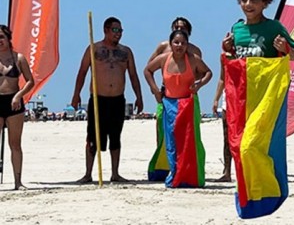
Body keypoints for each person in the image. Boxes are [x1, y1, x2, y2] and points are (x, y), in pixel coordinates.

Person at [221, 0, 294, 218]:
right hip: (241, 100)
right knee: (238, 148)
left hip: (266, 99)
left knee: (251, 146)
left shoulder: (274, 27)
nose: (248, 5)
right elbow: (236, 62)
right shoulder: (236, 29)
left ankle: (271, 191)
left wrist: (284, 49)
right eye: (244, 0)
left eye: (254, 0)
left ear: (265, 2)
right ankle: (252, 195)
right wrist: (227, 49)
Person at [71, 17, 143, 183]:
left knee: (116, 136)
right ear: (106, 30)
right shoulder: (94, 48)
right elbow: (82, 72)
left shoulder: (126, 52)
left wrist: (139, 96)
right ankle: (88, 173)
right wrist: (76, 94)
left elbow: (133, 75)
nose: (118, 34)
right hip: (98, 100)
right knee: (92, 137)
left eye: (120, 31)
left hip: (117, 99)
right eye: (115, 30)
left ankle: (115, 173)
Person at [144, 30, 212, 188]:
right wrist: (155, 90)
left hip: (187, 106)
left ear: (187, 44)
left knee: (189, 143)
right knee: (172, 144)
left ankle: (192, 177)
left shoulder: (193, 60)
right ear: (171, 44)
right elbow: (147, 70)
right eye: (176, 42)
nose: (179, 46)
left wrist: (200, 83)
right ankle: (175, 175)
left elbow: (208, 72)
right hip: (169, 105)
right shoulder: (163, 59)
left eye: (183, 43)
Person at [0, 24, 35, 190]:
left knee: (15, 143)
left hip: (13, 102)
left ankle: (17, 181)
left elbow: (30, 81)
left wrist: (18, 95)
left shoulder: (18, 58)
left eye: (1, 37)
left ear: (8, 38)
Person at [211, 55, 231, 182]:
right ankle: (227, 171)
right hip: (228, 100)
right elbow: (222, 78)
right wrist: (216, 99)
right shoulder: (225, 56)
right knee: (227, 138)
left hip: (245, 98)